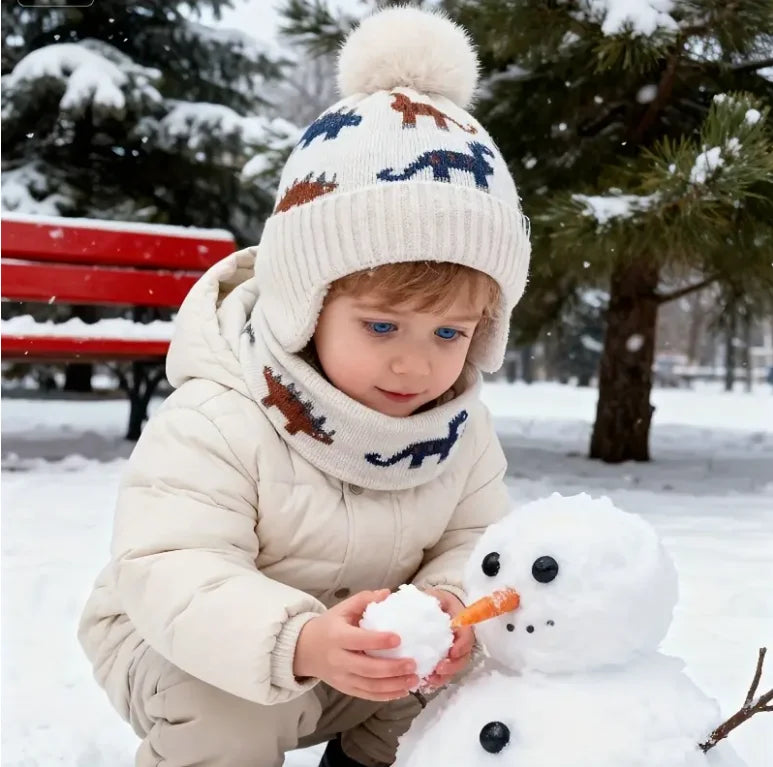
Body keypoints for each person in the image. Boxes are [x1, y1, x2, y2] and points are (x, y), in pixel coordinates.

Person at [78, 6, 531, 767]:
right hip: (183, 643)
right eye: (382, 326)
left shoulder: (460, 431)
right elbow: (170, 563)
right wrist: (301, 640)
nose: (415, 365)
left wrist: (450, 605)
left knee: (462, 684)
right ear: (304, 304)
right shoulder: (221, 414)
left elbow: (474, 542)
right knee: (228, 712)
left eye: (449, 333)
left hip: (362, 657)